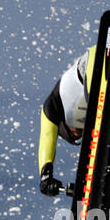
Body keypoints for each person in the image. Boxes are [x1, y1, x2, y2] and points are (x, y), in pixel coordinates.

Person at [37, 44, 98, 195]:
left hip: (93, 62)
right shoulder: (96, 121)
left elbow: (46, 137)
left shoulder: (53, 106)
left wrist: (45, 176)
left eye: (74, 133)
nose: (79, 132)